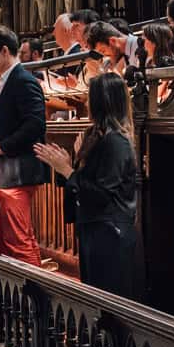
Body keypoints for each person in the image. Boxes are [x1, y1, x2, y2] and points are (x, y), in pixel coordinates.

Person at [33, 73, 144, 301]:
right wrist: (71, 165)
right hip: (96, 229)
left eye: (89, 97)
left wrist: (67, 170)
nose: (85, 102)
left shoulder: (116, 142)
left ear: (100, 101)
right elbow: (88, 182)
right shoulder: (101, 138)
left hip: (110, 235)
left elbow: (101, 194)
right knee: (95, 299)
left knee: (109, 304)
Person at [0, 26, 48, 265]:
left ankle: (35, 297)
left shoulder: (23, 80)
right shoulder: (7, 82)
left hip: (20, 172)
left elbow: (35, 124)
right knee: (10, 241)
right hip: (9, 172)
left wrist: (2, 147)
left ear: (4, 51)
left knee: (20, 242)